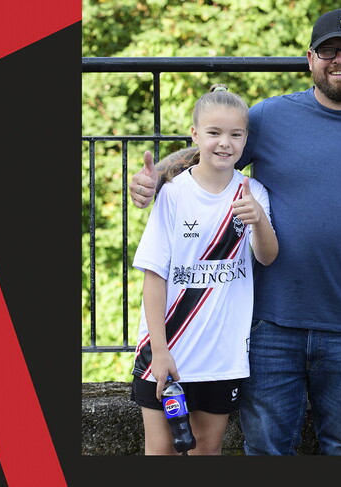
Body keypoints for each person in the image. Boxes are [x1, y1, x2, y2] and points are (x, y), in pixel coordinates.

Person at [129, 8, 341, 455]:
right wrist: (159, 177)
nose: (339, 59)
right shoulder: (269, 117)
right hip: (269, 324)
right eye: (328, 51)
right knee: (265, 450)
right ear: (310, 59)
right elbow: (214, 148)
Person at [129, 84, 279, 455]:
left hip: (221, 355)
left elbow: (267, 256)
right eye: (214, 132)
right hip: (166, 351)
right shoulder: (173, 193)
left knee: (206, 452)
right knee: (161, 451)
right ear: (195, 134)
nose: (224, 143)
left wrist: (258, 221)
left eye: (235, 134)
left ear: (246, 139)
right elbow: (154, 277)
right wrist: (160, 351)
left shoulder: (253, 192)